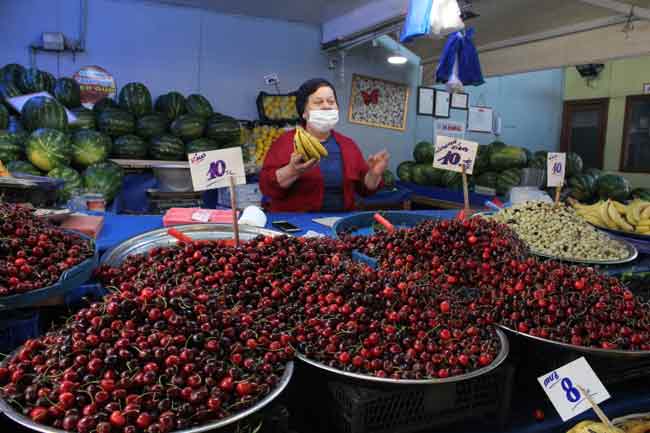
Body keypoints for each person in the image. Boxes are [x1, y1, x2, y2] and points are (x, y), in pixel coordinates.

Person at [260, 78, 390, 212]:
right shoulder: (285, 143)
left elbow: (365, 190)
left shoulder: (348, 145)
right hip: (298, 225)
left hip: (339, 224)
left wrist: (374, 173)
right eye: (318, 102)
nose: (326, 106)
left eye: (331, 101)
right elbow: (267, 188)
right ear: (304, 112)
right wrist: (293, 170)